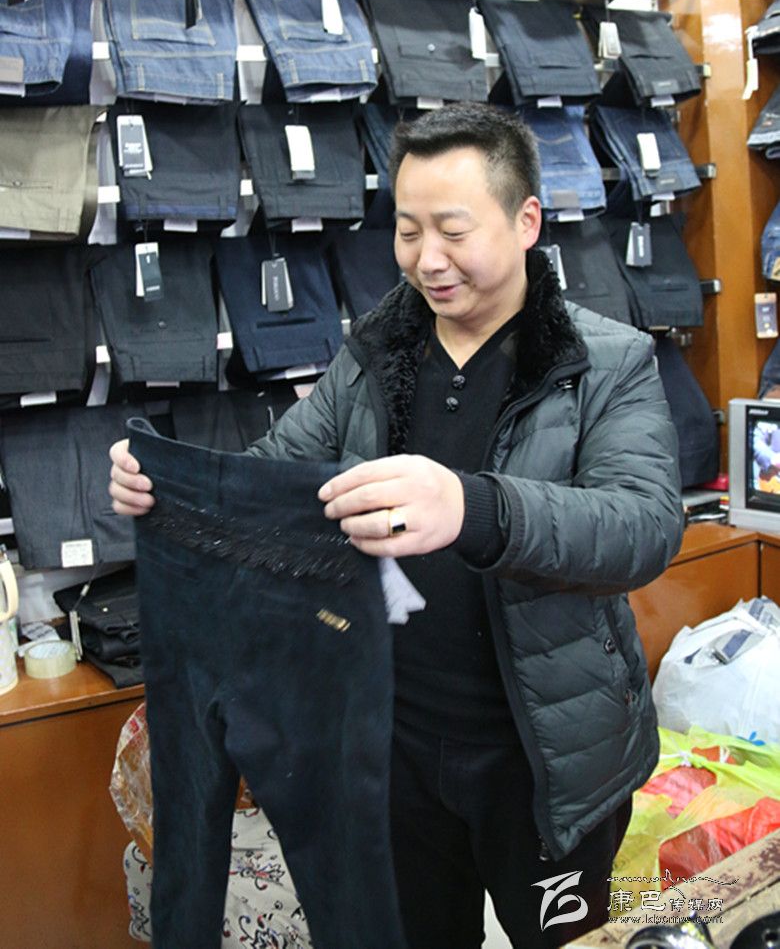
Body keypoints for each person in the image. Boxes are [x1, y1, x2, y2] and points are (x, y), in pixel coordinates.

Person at [110, 102, 684, 949]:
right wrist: (168, 489)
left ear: (526, 221)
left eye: (452, 230)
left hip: (542, 760)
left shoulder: (603, 362)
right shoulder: (374, 358)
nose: (427, 259)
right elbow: (275, 474)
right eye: (408, 232)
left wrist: (472, 506)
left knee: (564, 939)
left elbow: (643, 524)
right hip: (390, 746)